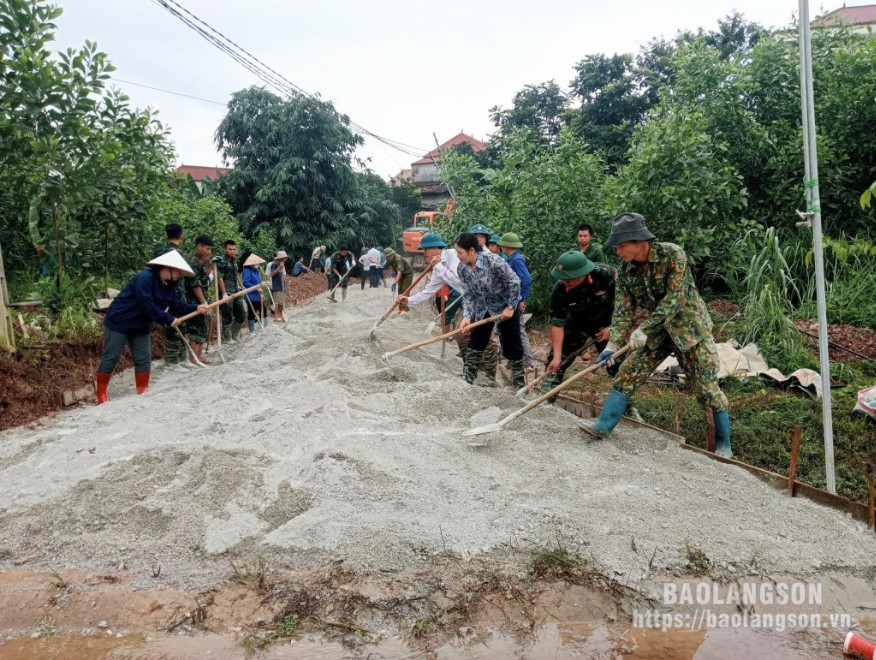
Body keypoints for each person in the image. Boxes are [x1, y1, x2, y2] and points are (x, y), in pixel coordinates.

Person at [580, 212, 732, 458]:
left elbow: (676, 299)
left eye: (621, 245)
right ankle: (604, 426)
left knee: (706, 387)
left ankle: (724, 445)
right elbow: (622, 311)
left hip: (689, 329)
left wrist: (644, 329)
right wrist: (613, 343)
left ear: (639, 241)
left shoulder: (673, 255)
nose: (617, 251)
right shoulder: (626, 271)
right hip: (658, 332)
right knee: (628, 370)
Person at [96, 251, 208, 403]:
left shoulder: (169, 285)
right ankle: (101, 393)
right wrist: (168, 319)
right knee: (112, 356)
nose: (179, 275)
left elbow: (177, 305)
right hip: (119, 321)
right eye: (178, 271)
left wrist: (196, 308)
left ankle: (143, 390)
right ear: (168, 268)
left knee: (143, 358)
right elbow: (146, 304)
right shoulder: (145, 278)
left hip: (141, 324)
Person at [455, 232, 526, 390]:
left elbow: (514, 281)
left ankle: (520, 386)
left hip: (504, 305)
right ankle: (468, 380)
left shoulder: (492, 260)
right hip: (483, 307)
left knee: (512, 345)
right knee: (476, 342)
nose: (457, 256)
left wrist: (510, 306)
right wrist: (467, 316)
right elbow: (467, 294)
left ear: (472, 250)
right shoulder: (462, 269)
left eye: (460, 253)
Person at [541, 250, 616, 400]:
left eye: (568, 281)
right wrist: (557, 357)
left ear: (581, 275)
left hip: (606, 324)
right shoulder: (560, 288)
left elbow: (626, 304)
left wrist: (612, 327)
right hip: (576, 323)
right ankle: (545, 400)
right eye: (562, 280)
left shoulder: (606, 275)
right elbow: (557, 323)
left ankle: (626, 405)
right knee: (556, 363)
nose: (565, 285)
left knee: (618, 363)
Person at [498, 232, 536, 368]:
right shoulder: (510, 258)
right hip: (510, 300)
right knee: (511, 330)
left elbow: (526, 280)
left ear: (506, 246)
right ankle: (513, 359)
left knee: (519, 329)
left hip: (515, 300)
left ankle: (528, 361)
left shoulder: (517, 259)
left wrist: (521, 299)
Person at [154, 223, 190, 369]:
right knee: (176, 327)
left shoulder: (159, 252)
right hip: (176, 294)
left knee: (176, 326)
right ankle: (173, 362)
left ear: (165, 236)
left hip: (163, 294)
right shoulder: (178, 255)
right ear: (182, 236)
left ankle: (180, 359)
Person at [184, 235, 214, 365]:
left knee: (202, 327)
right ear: (199, 247)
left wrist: (211, 268)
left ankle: (200, 355)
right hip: (193, 301)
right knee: (195, 329)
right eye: (207, 249)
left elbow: (203, 280)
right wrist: (203, 302)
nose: (209, 252)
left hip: (202, 298)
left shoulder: (201, 261)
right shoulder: (193, 261)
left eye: (211, 249)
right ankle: (193, 357)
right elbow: (195, 284)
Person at [217, 240, 246, 344]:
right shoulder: (221, 260)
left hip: (236, 290)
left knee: (241, 313)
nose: (232, 251)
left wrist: (240, 286)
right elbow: (219, 278)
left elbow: (236, 274)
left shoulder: (234, 260)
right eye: (230, 249)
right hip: (226, 291)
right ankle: (228, 338)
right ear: (225, 249)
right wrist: (224, 293)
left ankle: (234, 335)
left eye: (234, 249)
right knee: (227, 314)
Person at [242, 253, 269, 332]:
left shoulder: (256, 271)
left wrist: (261, 293)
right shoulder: (247, 271)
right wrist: (256, 288)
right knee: (252, 312)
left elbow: (259, 283)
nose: (257, 264)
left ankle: (265, 326)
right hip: (251, 296)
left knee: (263, 310)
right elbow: (246, 283)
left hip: (258, 295)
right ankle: (252, 331)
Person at [383, 248, 412, 313]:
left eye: (389, 256)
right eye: (387, 257)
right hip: (400, 275)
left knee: (405, 291)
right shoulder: (389, 259)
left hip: (407, 275)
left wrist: (394, 283)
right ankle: (400, 308)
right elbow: (391, 266)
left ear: (392, 254)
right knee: (400, 291)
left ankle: (405, 309)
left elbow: (399, 272)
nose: (388, 258)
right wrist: (392, 271)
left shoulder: (398, 258)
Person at [267, 250, 287, 321]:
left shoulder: (281, 264)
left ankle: (280, 315)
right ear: (280, 258)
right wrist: (279, 268)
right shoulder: (274, 264)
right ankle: (276, 316)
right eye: (284, 257)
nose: (285, 259)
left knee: (281, 302)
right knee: (277, 302)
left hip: (281, 286)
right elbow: (272, 274)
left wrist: (285, 286)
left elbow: (283, 276)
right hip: (276, 286)